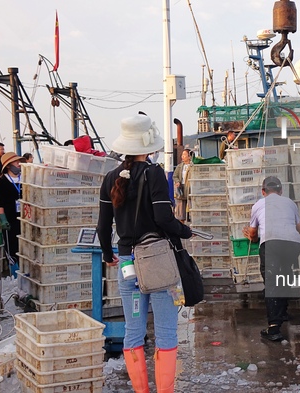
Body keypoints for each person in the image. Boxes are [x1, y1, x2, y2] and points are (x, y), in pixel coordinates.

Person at [97, 113, 192, 392]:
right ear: (148, 147)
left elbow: (103, 226)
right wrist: (183, 231)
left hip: (127, 263)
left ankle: (141, 389)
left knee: (133, 331)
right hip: (157, 264)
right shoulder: (154, 174)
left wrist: (107, 254)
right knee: (165, 331)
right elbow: (164, 218)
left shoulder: (110, 178)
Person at [242, 176, 300, 341]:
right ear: (281, 191)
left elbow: (253, 235)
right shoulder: (290, 203)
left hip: (271, 243)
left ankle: (274, 328)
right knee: (285, 274)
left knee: (271, 280)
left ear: (263, 192)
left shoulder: (258, 205)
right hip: (293, 244)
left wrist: (249, 235)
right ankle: (283, 313)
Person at [0, 152, 24, 276]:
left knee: (24, 245)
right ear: (8, 165)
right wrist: (2, 218)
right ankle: (14, 272)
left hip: (24, 218)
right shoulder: (2, 181)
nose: (19, 164)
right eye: (16, 162)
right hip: (10, 218)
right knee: (11, 245)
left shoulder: (25, 179)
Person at [172, 149, 192, 223]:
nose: (182, 157)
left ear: (189, 156)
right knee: (181, 212)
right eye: (182, 155)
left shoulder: (193, 166)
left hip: (190, 189)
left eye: (184, 155)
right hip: (181, 189)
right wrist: (177, 181)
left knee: (191, 208)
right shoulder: (179, 166)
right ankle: (182, 226)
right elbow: (175, 176)